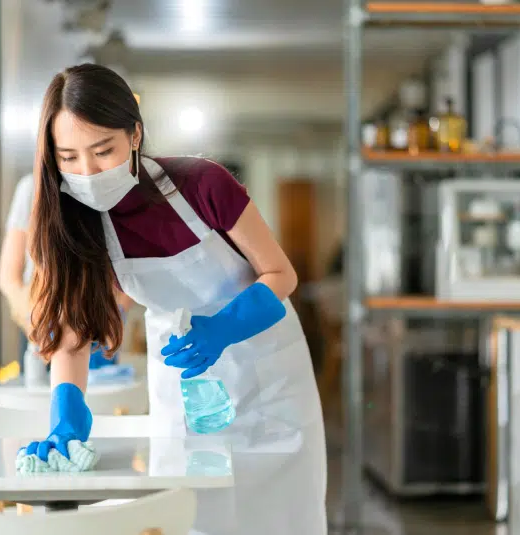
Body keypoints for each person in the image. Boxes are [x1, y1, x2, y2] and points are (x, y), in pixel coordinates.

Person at [21, 64, 327, 535]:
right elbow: (73, 335)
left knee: (280, 518)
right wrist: (65, 412)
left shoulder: (203, 184)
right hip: (185, 382)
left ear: (135, 135)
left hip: (268, 376)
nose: (87, 172)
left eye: (103, 151)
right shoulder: (77, 221)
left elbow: (280, 274)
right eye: (69, 157)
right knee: (192, 517)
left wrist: (225, 327)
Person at [0, 173, 133, 375]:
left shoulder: (111, 187)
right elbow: (8, 277)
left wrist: (118, 312)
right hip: (43, 323)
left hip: (101, 322)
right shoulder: (31, 188)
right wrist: (33, 323)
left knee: (101, 402)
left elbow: (131, 268)